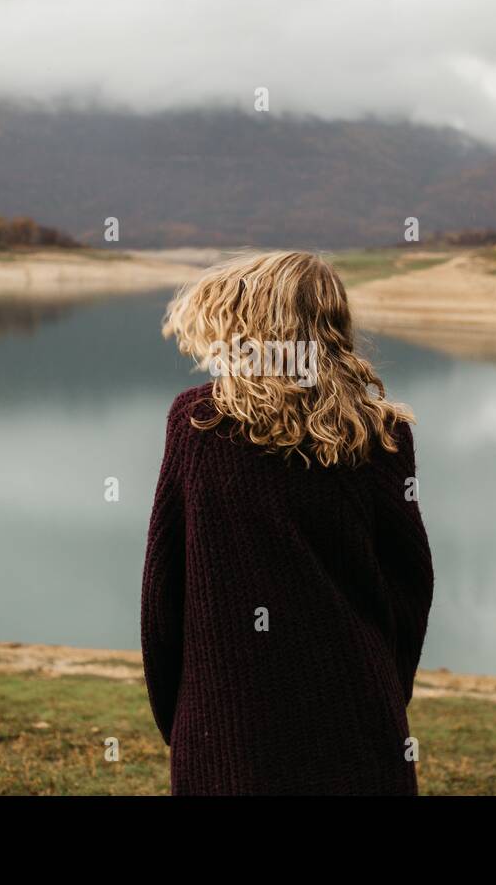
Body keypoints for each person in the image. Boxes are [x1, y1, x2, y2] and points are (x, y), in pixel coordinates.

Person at [141, 250, 434, 795]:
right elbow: (411, 585)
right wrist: (387, 694)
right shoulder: (382, 433)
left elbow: (163, 587)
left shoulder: (197, 422)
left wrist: (181, 719)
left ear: (245, 327)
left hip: (227, 727)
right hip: (361, 716)